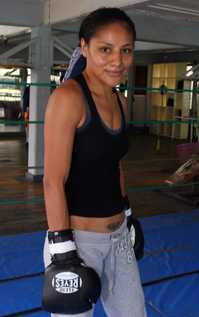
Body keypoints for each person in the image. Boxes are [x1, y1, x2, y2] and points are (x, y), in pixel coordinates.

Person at [43, 7, 147, 317]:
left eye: (125, 50)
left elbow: (114, 164)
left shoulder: (120, 100)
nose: (117, 61)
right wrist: (63, 252)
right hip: (77, 240)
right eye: (106, 49)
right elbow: (52, 180)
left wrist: (127, 214)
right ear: (84, 47)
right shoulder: (68, 98)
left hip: (118, 240)